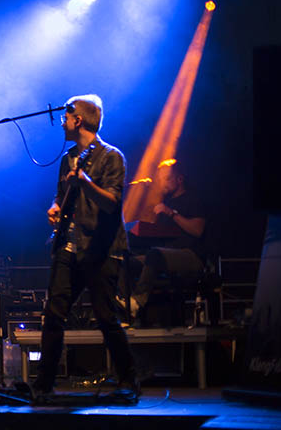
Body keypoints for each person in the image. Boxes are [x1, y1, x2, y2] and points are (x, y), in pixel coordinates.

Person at [34, 95, 139, 402]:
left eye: (66, 117)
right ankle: (44, 385)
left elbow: (112, 203)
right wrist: (55, 206)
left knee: (106, 316)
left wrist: (86, 182)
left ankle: (129, 379)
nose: (62, 123)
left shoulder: (112, 157)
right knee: (53, 315)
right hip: (68, 246)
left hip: (101, 248)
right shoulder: (68, 158)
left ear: (77, 120)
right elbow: (61, 194)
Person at [127, 161, 207, 320]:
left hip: (191, 256)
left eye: (167, 178)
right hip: (166, 255)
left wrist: (171, 213)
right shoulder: (165, 202)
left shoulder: (193, 198)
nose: (162, 183)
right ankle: (125, 305)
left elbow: (197, 230)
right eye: (161, 179)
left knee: (155, 255)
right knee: (126, 261)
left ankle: (137, 301)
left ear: (179, 179)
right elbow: (159, 233)